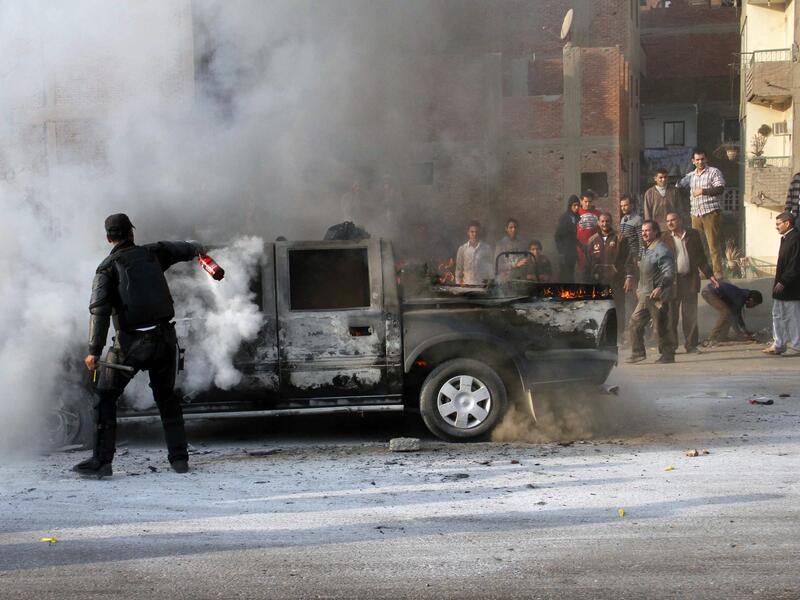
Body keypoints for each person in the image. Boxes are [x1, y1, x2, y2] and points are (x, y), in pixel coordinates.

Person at [73, 214, 207, 478]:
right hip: (165, 339)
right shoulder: (153, 253)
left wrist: (93, 352)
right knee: (167, 398)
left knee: (105, 397)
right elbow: (185, 247)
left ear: (108, 237)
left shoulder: (106, 268)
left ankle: (102, 462)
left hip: (130, 345)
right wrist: (198, 249)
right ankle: (179, 460)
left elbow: (99, 312)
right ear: (131, 232)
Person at [661, 212, 718, 354]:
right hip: (672, 282)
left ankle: (691, 345)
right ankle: (671, 347)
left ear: (680, 220)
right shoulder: (664, 238)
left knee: (690, 315)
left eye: (673, 220)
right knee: (671, 316)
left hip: (689, 280)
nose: (670, 223)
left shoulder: (693, 235)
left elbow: (701, 257)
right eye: (668, 221)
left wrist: (710, 274)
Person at [625, 220, 677, 364]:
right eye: (643, 231)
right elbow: (644, 272)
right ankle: (638, 353)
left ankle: (667, 355)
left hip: (658, 295)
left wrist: (660, 287)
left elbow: (669, 273)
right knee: (635, 322)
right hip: (645, 295)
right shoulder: (646, 249)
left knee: (661, 324)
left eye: (647, 230)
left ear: (655, 232)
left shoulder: (662, 250)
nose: (644, 233)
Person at [677, 148, 726, 278]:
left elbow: (720, 188)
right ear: (693, 161)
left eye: (702, 159)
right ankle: (703, 271)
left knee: (712, 244)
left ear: (706, 159)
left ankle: (717, 272)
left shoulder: (713, 172)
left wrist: (703, 191)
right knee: (697, 244)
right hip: (695, 213)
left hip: (710, 212)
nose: (700, 162)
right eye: (697, 159)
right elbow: (679, 186)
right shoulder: (691, 176)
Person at [586, 212, 630, 340]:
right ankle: (602, 335)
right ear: (598, 223)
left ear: (611, 222)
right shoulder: (592, 240)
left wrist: (625, 275)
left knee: (618, 307)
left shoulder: (620, 238)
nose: (605, 224)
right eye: (602, 221)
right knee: (601, 307)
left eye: (607, 221)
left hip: (616, 280)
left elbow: (626, 259)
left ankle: (620, 335)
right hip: (600, 281)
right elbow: (589, 263)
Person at [764, 212, 800, 355]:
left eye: (778, 224)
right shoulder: (786, 238)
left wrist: (784, 281)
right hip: (781, 285)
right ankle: (779, 343)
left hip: (791, 286)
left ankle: (796, 345)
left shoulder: (796, 239)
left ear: (787, 223)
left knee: (792, 316)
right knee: (777, 314)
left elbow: (795, 264)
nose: (776, 227)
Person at [455, 221, 493, 285]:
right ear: (468, 232)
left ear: (480, 232)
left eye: (477, 232)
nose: (474, 234)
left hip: (482, 286)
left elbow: (490, 268)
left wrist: (489, 284)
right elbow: (458, 270)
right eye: (472, 232)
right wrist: (459, 284)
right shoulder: (462, 249)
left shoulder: (487, 248)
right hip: (466, 286)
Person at [576, 190, 602, 281]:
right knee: (582, 273)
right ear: (581, 201)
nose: (587, 204)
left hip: (594, 247)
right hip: (580, 248)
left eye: (589, 202)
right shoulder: (576, 213)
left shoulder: (598, 214)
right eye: (585, 201)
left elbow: (602, 230)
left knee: (595, 272)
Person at [554, 195, 580, 282]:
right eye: (574, 205)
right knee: (564, 276)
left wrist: (581, 246)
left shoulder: (577, 218)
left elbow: (574, 236)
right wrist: (561, 252)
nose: (576, 208)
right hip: (564, 252)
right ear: (570, 206)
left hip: (572, 252)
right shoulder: (564, 218)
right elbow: (557, 236)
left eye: (578, 205)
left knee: (571, 276)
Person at [619, 194, 643, 262]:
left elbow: (641, 240)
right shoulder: (623, 219)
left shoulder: (638, 220)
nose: (623, 208)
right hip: (624, 254)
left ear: (632, 206)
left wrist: (640, 257)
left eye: (625, 205)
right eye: (621, 206)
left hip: (634, 255)